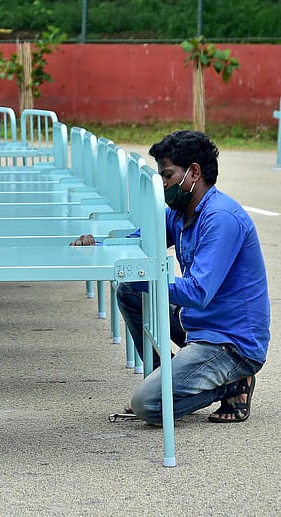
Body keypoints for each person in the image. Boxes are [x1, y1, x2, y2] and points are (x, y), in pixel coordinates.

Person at [72, 130, 270, 425]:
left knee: (147, 405)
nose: (163, 184)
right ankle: (164, 379)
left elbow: (197, 292)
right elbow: (137, 242)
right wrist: (97, 245)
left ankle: (232, 383)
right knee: (129, 291)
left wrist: (143, 276)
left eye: (166, 175)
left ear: (193, 173)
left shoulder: (221, 219)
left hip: (231, 342)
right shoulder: (178, 214)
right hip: (197, 322)